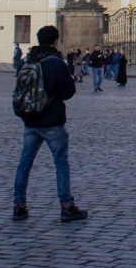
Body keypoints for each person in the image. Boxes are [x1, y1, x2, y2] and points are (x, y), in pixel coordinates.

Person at [12, 26, 87, 222]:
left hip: (30, 121)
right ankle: (66, 206)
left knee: (24, 164)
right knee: (61, 163)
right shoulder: (56, 63)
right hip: (52, 122)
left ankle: (19, 205)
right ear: (55, 41)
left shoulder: (27, 61)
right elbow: (68, 92)